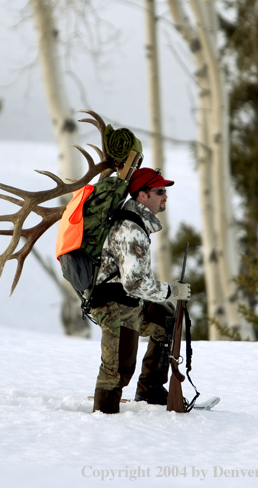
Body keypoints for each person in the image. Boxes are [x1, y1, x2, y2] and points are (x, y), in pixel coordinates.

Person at [90, 167, 191, 414]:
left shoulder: (134, 224)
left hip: (127, 300)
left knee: (165, 319)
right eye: (159, 191)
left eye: (165, 190)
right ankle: (103, 417)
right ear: (142, 196)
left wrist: (166, 296)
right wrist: (172, 291)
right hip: (116, 305)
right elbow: (133, 283)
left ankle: (151, 391)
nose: (164, 195)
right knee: (117, 369)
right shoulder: (131, 230)